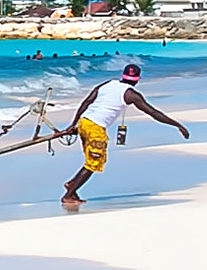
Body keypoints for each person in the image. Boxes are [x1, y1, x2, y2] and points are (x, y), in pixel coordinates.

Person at [45, 65, 189, 206]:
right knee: (94, 162)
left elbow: (87, 102)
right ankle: (69, 194)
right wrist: (177, 124)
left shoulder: (108, 84)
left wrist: (74, 124)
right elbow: (153, 113)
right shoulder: (131, 94)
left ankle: (72, 185)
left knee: (93, 159)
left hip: (85, 122)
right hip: (95, 128)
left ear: (123, 75)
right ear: (138, 79)